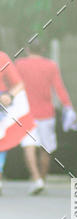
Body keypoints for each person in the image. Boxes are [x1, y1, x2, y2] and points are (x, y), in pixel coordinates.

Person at [15, 39, 77, 194]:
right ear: (42, 50)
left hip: (26, 113)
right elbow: (59, 87)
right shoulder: (51, 66)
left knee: (28, 146)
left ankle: (36, 179)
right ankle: (41, 180)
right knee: (45, 149)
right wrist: (68, 106)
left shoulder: (20, 65)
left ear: (28, 49)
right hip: (46, 114)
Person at [0, 50, 38, 194]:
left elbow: (19, 84)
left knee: (1, 139)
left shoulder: (2, 58)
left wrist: (9, 95)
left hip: (3, 106)